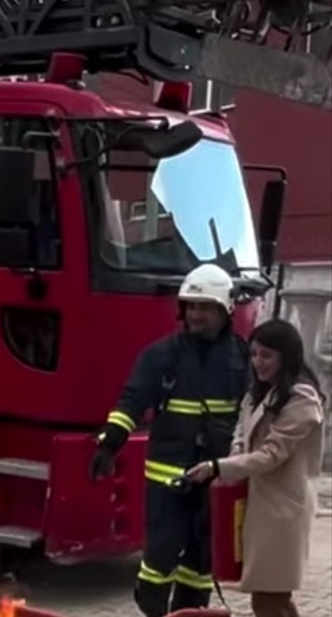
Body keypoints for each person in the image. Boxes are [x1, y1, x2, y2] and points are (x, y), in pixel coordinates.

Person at [89, 263, 249, 617]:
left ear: (225, 311)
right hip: (168, 478)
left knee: (201, 559)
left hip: (215, 480)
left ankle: (189, 611)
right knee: (160, 556)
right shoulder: (161, 355)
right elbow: (132, 400)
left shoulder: (242, 357)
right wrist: (109, 444)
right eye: (191, 306)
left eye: (205, 307)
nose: (196, 315)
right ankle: (152, 606)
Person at [185, 319, 327, 617]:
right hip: (255, 503)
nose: (258, 362)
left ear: (285, 356)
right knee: (270, 599)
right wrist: (234, 458)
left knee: (270, 598)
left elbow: (270, 455)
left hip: (282, 510)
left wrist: (217, 467)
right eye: (253, 354)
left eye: (266, 355)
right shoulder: (257, 393)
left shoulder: (301, 399)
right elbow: (241, 433)